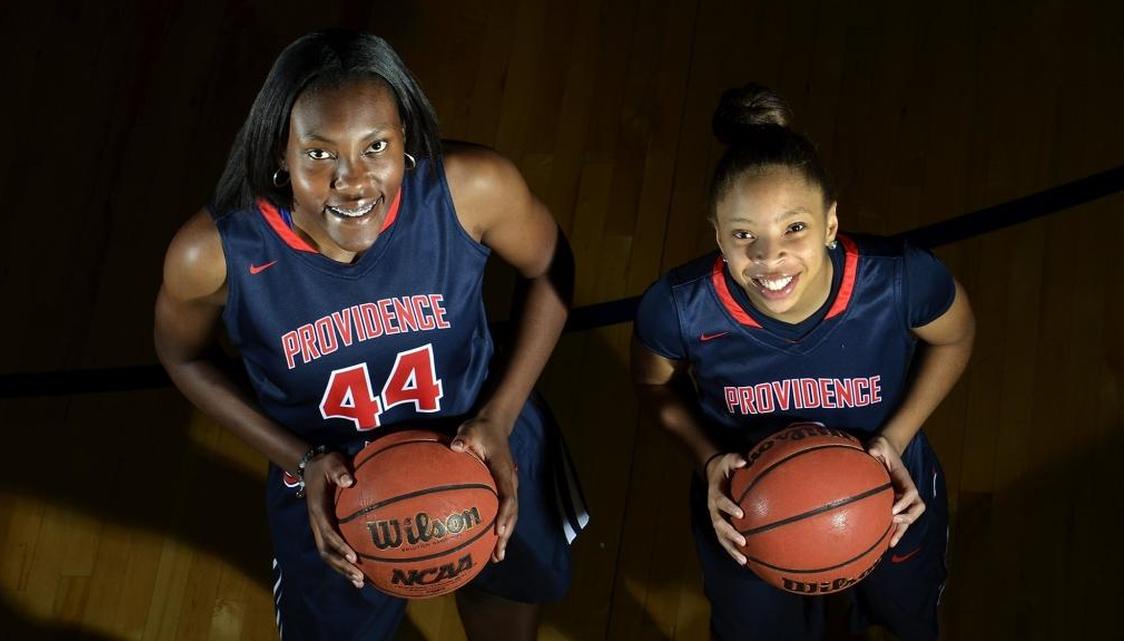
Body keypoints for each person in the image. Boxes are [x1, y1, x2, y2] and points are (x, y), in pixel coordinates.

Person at [154, 29, 587, 641]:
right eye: (320, 154)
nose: (351, 181)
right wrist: (300, 460)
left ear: (405, 136)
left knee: (507, 600)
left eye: (375, 147)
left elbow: (550, 266)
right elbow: (181, 355)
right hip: (333, 498)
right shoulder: (215, 253)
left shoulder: (470, 189)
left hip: (489, 451)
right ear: (281, 152)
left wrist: (500, 413)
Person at [631, 84, 974, 641]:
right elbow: (652, 385)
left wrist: (895, 438)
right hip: (750, 509)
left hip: (891, 495)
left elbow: (956, 337)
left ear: (832, 224)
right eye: (744, 235)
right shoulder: (680, 307)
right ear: (717, 234)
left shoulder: (898, 280)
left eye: (795, 227)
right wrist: (708, 457)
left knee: (906, 619)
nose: (769, 257)